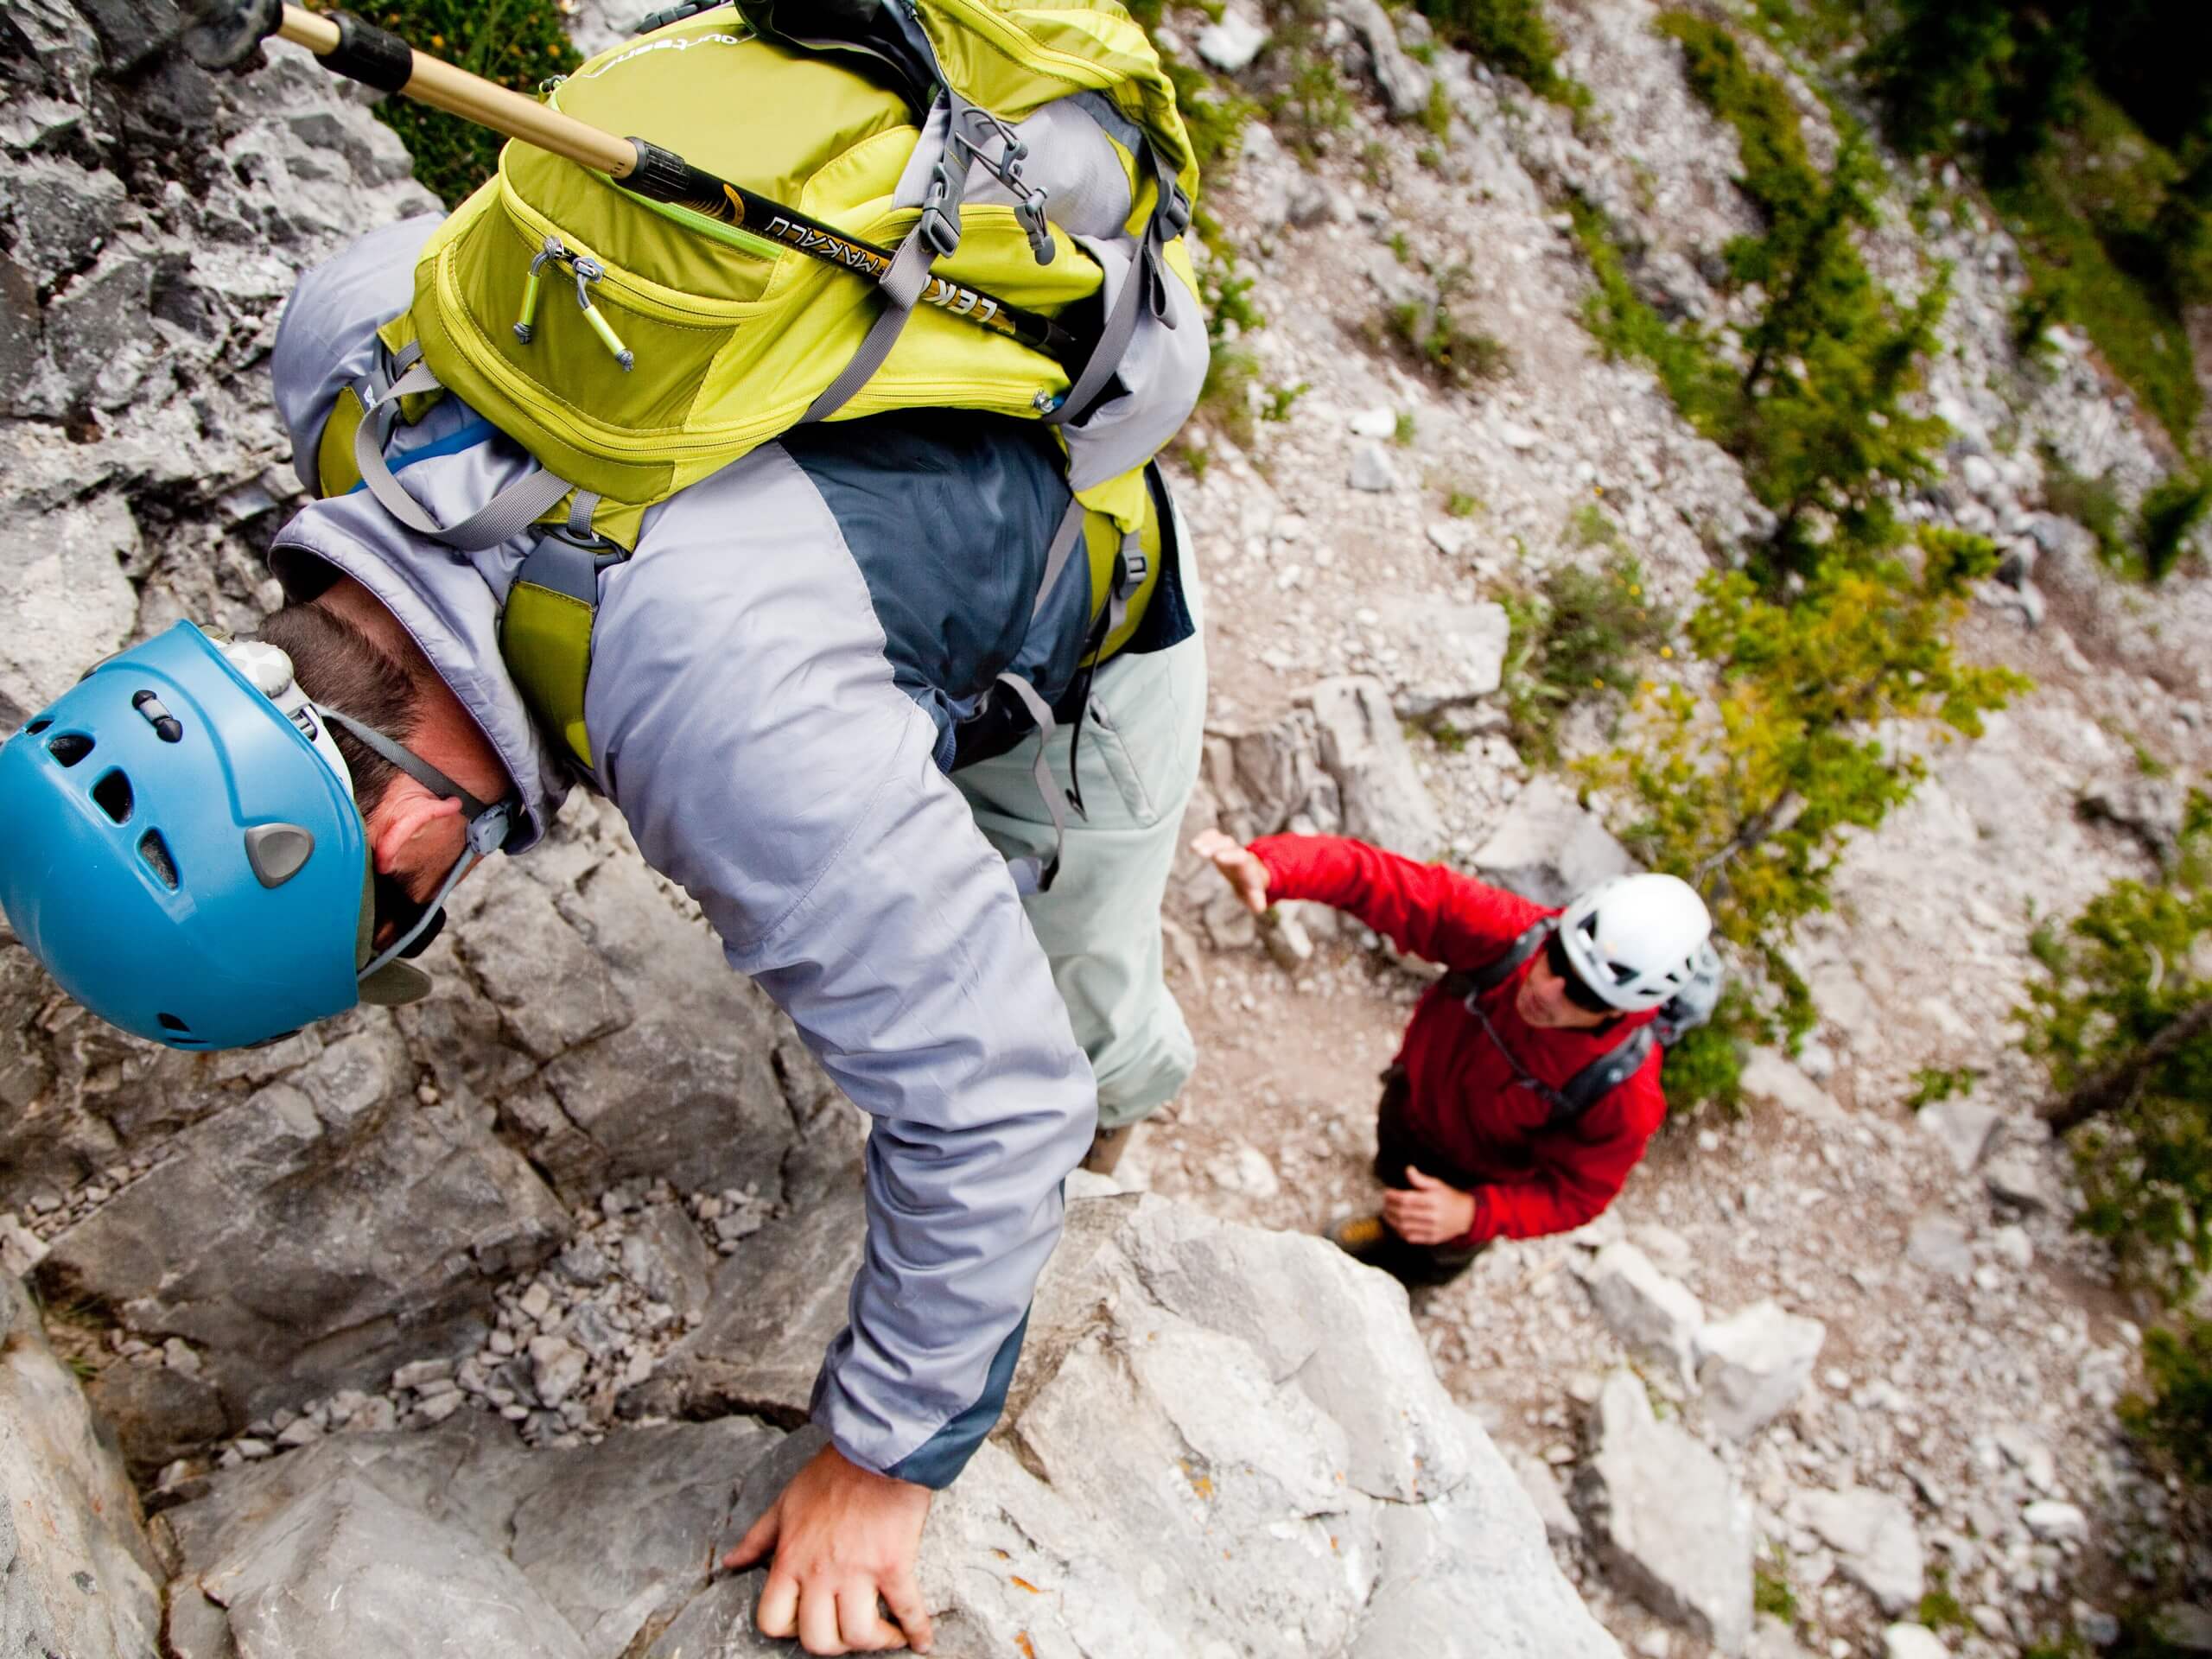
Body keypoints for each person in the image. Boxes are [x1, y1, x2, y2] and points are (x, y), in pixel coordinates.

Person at [0, 217, 1205, 1656]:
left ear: (396, 843)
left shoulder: (732, 731)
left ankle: (1138, 1107)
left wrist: (883, 1463)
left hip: (1078, 591)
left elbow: (999, 1104)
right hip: (846, 528)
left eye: (396, 922)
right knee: (848, 843)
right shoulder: (345, 356)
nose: (428, 908)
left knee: (1069, 1017)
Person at [1192, 829, 1712, 1287]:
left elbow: (1578, 1196)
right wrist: (1274, 866)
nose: (1547, 990)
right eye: (1558, 959)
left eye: (1583, 994)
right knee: (1394, 1170)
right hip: (1411, 1102)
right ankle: (1390, 1219)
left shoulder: (1622, 1092)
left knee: (1432, 1245)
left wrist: (1473, 1213)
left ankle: (1409, 1269)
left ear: (1623, 1011)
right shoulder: (1511, 937)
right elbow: (1376, 879)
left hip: (1475, 1180)